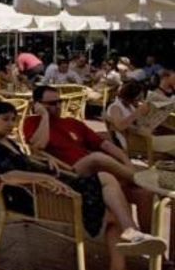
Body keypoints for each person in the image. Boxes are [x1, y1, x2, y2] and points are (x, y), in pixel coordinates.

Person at [0, 100, 165, 270]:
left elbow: (25, 161)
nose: (11, 124)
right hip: (38, 199)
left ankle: (129, 240)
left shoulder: (7, 141)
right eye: (5, 119)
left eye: (13, 119)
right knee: (115, 207)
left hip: (48, 188)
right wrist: (45, 177)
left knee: (110, 188)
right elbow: (8, 176)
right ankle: (123, 257)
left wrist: (47, 159)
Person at [24, 85, 153, 231]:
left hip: (95, 175)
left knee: (145, 193)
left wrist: (126, 161)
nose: (58, 106)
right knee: (97, 158)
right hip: (68, 173)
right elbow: (39, 145)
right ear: (38, 104)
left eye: (60, 101)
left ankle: (146, 238)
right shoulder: (32, 123)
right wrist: (45, 117)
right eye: (52, 103)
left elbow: (105, 144)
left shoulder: (72, 123)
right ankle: (140, 179)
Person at [106, 80, 175, 155]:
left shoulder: (129, 106)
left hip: (142, 137)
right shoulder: (115, 107)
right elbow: (120, 125)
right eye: (138, 98)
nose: (140, 100)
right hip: (138, 142)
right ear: (130, 97)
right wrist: (138, 112)